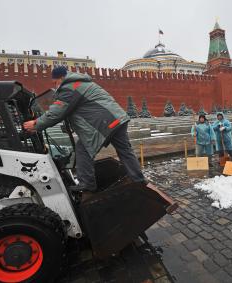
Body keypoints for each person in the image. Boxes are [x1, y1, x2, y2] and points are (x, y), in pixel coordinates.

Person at [23, 66, 145, 200]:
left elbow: (57, 112)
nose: (55, 85)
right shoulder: (82, 83)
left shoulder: (70, 87)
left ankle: (87, 185)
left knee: (83, 149)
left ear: (61, 78)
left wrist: (36, 124)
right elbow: (81, 110)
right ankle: (138, 180)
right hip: (117, 119)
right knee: (125, 150)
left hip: (105, 122)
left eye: (55, 82)